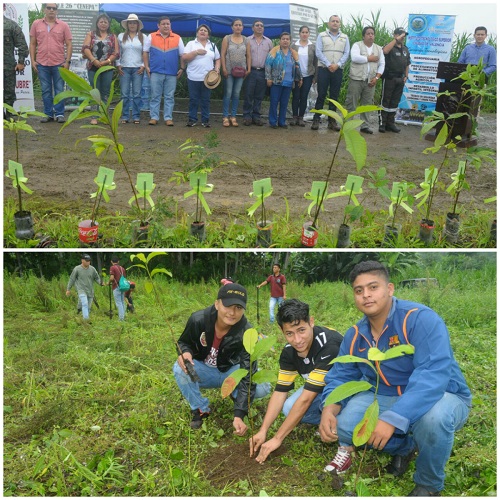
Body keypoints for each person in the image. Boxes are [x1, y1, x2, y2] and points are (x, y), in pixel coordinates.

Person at [319, 261, 471, 496]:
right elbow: (341, 376)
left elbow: (432, 375)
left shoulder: (420, 319)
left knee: (433, 419)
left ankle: (428, 484)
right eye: (359, 291)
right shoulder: (356, 334)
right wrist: (330, 406)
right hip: (387, 394)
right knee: (346, 425)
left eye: (373, 287)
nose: (366, 295)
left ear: (389, 289)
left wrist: (394, 417)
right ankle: (405, 446)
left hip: (442, 394)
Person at [249, 299, 343, 463]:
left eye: (301, 330)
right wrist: (263, 430)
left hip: (346, 388)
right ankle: (326, 421)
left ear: (311, 322)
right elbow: (280, 392)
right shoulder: (288, 352)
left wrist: (278, 438)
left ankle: (341, 425)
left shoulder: (329, 345)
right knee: (289, 407)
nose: (297, 340)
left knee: (314, 404)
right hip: (320, 387)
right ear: (282, 330)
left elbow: (306, 399)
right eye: (290, 333)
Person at [173, 283, 271, 431]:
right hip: (204, 371)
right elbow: (184, 342)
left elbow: (247, 373)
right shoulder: (198, 320)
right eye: (228, 306)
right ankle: (201, 409)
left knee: (263, 387)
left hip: (231, 372)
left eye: (238, 308)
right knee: (180, 369)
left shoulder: (247, 333)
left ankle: (234, 393)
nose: (232, 312)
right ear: (217, 304)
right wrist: (185, 352)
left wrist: (239, 414)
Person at [29, 3, 73, 123]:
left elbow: (69, 44)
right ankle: (48, 113)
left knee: (59, 90)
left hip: (59, 63)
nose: (51, 10)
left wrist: (67, 61)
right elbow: (33, 43)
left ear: (57, 11)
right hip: (42, 63)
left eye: (54, 8)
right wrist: (33, 60)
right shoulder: (36, 24)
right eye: (49, 8)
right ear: (44, 10)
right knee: (46, 90)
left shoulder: (63, 26)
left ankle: (59, 114)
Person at [143, 16, 185, 127]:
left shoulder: (177, 38)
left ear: (170, 25)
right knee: (155, 96)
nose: (166, 26)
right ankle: (154, 117)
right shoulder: (151, 36)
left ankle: (168, 118)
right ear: (158, 25)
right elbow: (145, 52)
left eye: (168, 24)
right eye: (163, 24)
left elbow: (182, 55)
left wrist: (182, 68)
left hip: (172, 72)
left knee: (169, 96)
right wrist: (146, 66)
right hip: (155, 71)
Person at [311, 15, 350, 131]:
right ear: (329, 23)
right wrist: (328, 64)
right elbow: (318, 52)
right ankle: (316, 119)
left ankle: (332, 121)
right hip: (324, 69)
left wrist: (337, 65)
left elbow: (346, 53)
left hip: (338, 70)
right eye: (333, 21)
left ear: (340, 24)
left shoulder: (344, 37)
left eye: (337, 21)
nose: (335, 23)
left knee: (334, 96)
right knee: (321, 94)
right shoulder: (322, 35)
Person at [345, 26, 385, 134]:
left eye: (372, 33)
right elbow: (354, 58)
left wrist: (376, 78)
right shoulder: (357, 45)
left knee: (366, 104)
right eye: (368, 33)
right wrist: (369, 58)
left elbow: (382, 64)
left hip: (371, 81)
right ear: (363, 36)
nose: (371, 35)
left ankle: (365, 126)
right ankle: (348, 125)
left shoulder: (378, 49)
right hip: (356, 79)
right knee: (351, 103)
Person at [82, 13, 119, 125]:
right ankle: (94, 116)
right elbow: (85, 48)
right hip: (93, 67)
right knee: (95, 91)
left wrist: (106, 62)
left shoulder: (113, 36)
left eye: (105, 22)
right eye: (101, 22)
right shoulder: (91, 34)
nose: (103, 24)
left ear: (108, 24)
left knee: (105, 92)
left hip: (107, 67)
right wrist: (94, 60)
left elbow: (116, 52)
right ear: (97, 23)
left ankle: (104, 115)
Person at [182, 24, 221, 128]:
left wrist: (217, 68)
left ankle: (205, 120)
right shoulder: (191, 44)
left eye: (205, 31)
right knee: (193, 99)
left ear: (208, 35)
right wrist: (196, 52)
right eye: (201, 30)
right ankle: (192, 119)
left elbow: (218, 59)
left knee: (206, 100)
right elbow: (185, 58)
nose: (203, 31)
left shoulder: (212, 45)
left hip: (208, 78)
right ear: (197, 33)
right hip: (193, 76)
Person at [265, 32, 302, 129]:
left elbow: (297, 66)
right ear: (280, 40)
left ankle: (282, 121)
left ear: (290, 41)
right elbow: (268, 65)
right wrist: (268, 78)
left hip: (289, 82)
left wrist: (300, 78)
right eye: (283, 39)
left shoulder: (293, 53)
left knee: (284, 103)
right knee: (274, 102)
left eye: (287, 39)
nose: (285, 41)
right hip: (276, 81)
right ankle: (273, 122)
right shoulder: (274, 51)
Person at [379, 28, 411, 133]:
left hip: (400, 79)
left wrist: (406, 76)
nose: (402, 37)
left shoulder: (405, 49)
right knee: (386, 100)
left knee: (395, 101)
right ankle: (382, 123)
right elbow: (384, 51)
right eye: (400, 35)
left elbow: (407, 64)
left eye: (404, 35)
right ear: (395, 35)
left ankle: (390, 123)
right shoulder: (390, 47)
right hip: (389, 78)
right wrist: (395, 40)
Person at [220, 19, 251, 127]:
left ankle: (233, 116)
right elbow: (222, 54)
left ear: (243, 27)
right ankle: (225, 116)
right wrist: (223, 68)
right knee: (228, 93)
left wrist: (249, 69)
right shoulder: (227, 38)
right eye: (236, 25)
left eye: (240, 25)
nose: (238, 27)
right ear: (232, 27)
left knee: (237, 94)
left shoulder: (246, 40)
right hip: (228, 71)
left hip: (241, 72)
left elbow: (248, 55)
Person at [242, 20, 273, 126]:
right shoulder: (247, 40)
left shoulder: (269, 42)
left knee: (259, 96)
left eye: (261, 26)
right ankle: (247, 116)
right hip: (251, 70)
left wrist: (270, 75)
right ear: (252, 28)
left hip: (263, 72)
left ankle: (256, 117)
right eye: (257, 25)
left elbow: (271, 58)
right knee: (248, 94)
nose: (260, 27)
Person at [117, 14, 145, 124]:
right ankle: (125, 116)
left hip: (138, 68)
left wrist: (143, 65)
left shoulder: (143, 37)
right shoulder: (120, 36)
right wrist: (118, 64)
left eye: (134, 23)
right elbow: (118, 51)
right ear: (127, 24)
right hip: (124, 68)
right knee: (124, 93)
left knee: (137, 93)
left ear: (137, 25)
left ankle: (136, 116)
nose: (132, 24)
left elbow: (146, 53)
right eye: (130, 23)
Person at [291, 26, 317, 127]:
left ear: (309, 34)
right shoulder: (294, 45)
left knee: (303, 96)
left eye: (306, 32)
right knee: (296, 96)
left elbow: (316, 62)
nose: (304, 34)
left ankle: (301, 117)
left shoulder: (312, 46)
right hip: (296, 76)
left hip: (308, 75)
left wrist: (315, 77)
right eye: (303, 32)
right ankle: (294, 117)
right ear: (299, 33)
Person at [3, 15, 29, 116]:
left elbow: (22, 44)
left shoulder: (11, 25)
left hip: (7, 66)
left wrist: (21, 62)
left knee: (9, 92)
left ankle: (9, 115)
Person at [66, 254, 102, 321]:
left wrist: (101, 283)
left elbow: (97, 278)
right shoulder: (77, 269)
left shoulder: (92, 269)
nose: (88, 262)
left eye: (89, 261)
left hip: (90, 291)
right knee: (85, 304)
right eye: (87, 261)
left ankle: (80, 310)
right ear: (82, 260)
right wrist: (68, 289)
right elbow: (72, 279)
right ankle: (86, 320)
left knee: (88, 307)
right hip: (81, 290)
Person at [108, 255, 127, 321]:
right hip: (123, 287)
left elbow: (112, 277)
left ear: (111, 261)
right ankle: (124, 316)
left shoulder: (112, 268)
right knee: (122, 302)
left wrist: (108, 282)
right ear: (118, 261)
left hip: (116, 286)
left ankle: (121, 319)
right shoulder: (122, 268)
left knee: (118, 303)